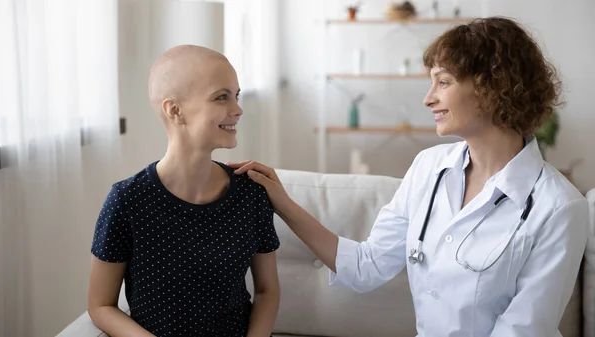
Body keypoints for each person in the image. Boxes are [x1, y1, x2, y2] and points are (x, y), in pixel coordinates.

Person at [228, 17, 589, 337]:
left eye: (443, 82)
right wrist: (283, 202)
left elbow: (524, 330)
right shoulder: (428, 168)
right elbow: (365, 267)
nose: (428, 99)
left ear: (492, 87)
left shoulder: (559, 207)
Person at [87, 45, 280, 337]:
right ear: (175, 110)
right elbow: (100, 306)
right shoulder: (127, 200)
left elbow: (267, 291)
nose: (238, 109)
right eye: (221, 97)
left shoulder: (251, 193)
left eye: (236, 96)